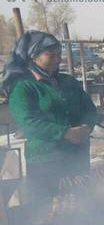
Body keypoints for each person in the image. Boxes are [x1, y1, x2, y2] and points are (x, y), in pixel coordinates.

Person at [2, 30, 97, 207]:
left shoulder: (68, 81)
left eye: (59, 55)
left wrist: (86, 126)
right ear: (34, 56)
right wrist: (65, 133)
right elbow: (28, 122)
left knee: (82, 206)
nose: (57, 59)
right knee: (51, 210)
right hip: (45, 160)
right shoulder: (23, 87)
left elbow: (90, 109)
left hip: (77, 156)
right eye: (50, 55)